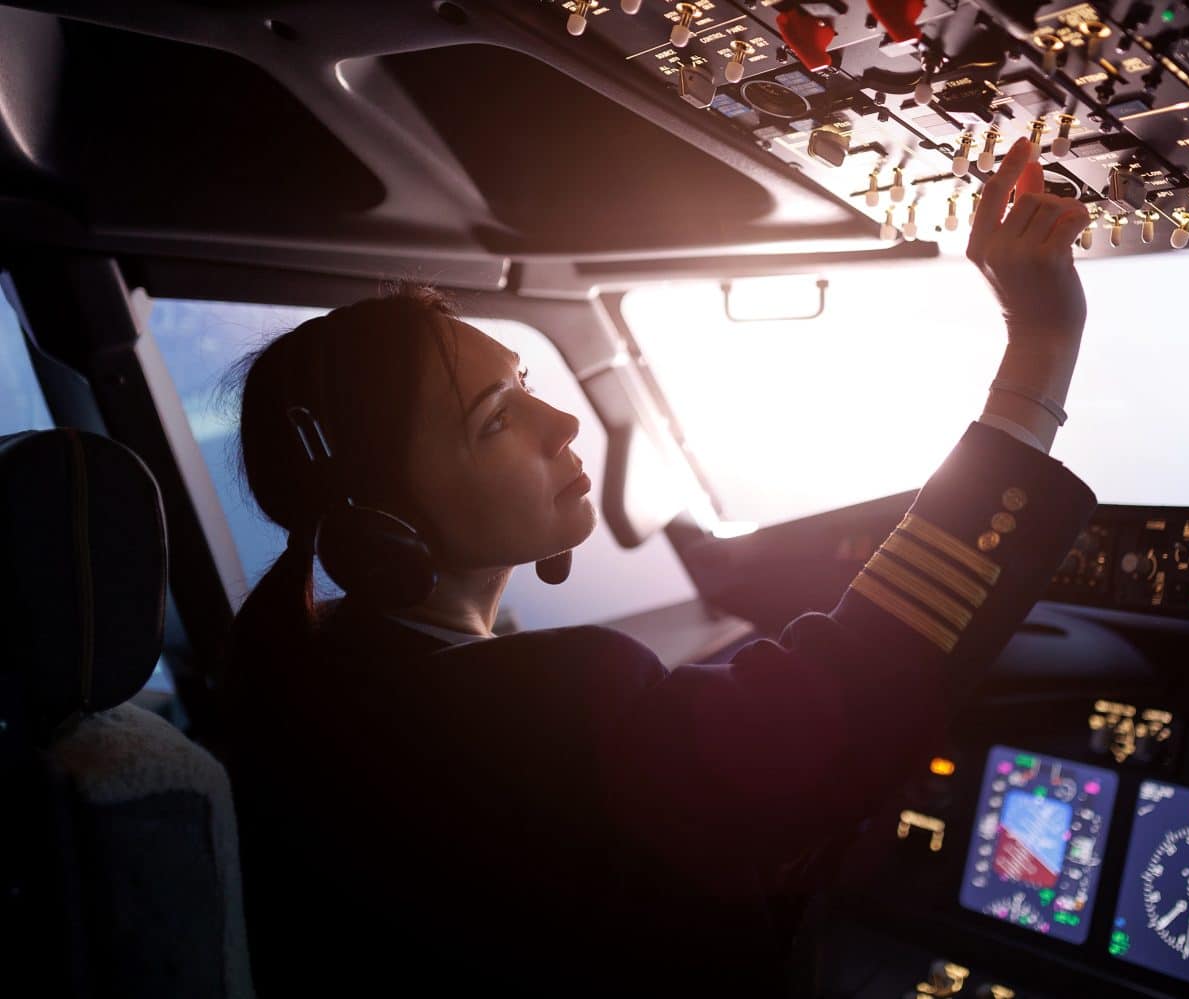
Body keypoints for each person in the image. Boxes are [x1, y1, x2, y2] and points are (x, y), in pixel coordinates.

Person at [224, 139, 1095, 995]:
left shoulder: (305, 682)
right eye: (495, 418)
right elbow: (839, 712)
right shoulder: (544, 704)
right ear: (383, 529)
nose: (559, 420)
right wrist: (1040, 349)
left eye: (525, 379)